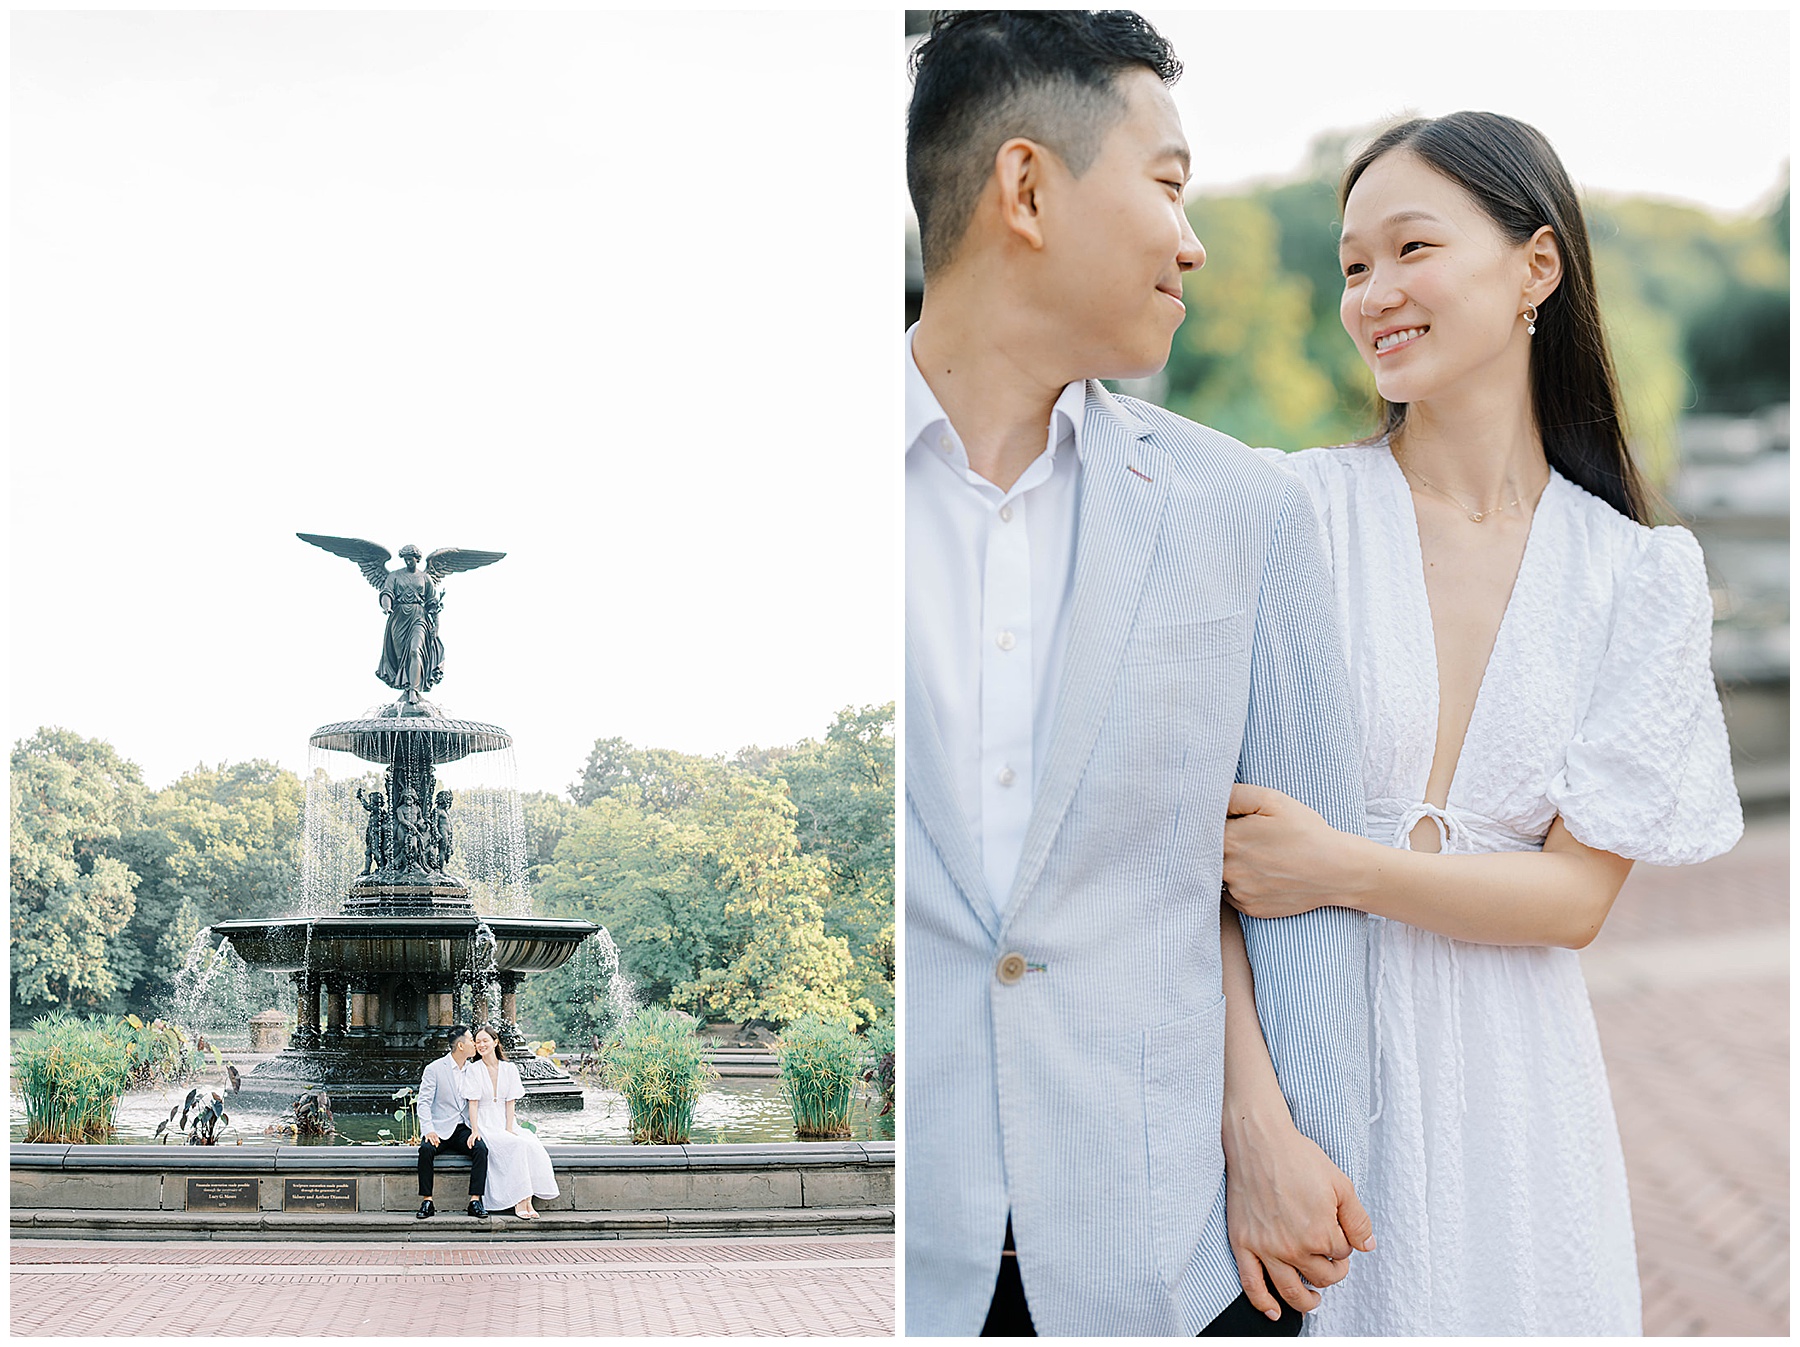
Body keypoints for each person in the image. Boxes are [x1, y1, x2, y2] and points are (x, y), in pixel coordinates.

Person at [1218, 111, 1743, 1335]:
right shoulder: (1287, 514)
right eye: (1352, 266)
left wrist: (1335, 864)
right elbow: (1212, 868)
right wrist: (1251, 1127)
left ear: (1536, 270)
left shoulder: (1637, 576)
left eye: (1411, 249)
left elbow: (1572, 904)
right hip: (1303, 1092)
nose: (1373, 294)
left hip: (1521, 1113)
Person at [905, 12, 1373, 1336]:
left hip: (1173, 1259)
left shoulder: (1242, 508)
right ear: (1028, 187)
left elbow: (1299, 887)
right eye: (1168, 182)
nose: (1193, 237)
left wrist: (1300, 1158)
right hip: (914, 1259)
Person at [464, 1026, 559, 1219]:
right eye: (478, 1041)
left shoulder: (509, 1069)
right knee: (516, 1144)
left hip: (504, 1121)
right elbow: (472, 1104)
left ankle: (527, 1201)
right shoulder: (473, 1069)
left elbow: (510, 1103)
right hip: (484, 1122)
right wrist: (474, 1130)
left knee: (529, 1143)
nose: (481, 1045)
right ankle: (519, 1201)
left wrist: (509, 1127)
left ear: (495, 1042)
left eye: (485, 1041)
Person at [415, 1025, 489, 1219]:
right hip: (439, 1129)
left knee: (481, 1149)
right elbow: (423, 1102)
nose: (475, 1044)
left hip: (463, 1128)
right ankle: (427, 1201)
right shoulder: (435, 1069)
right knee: (425, 1150)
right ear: (461, 1046)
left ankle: (475, 1201)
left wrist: (476, 1129)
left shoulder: (474, 1070)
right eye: (471, 1040)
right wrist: (428, 1130)